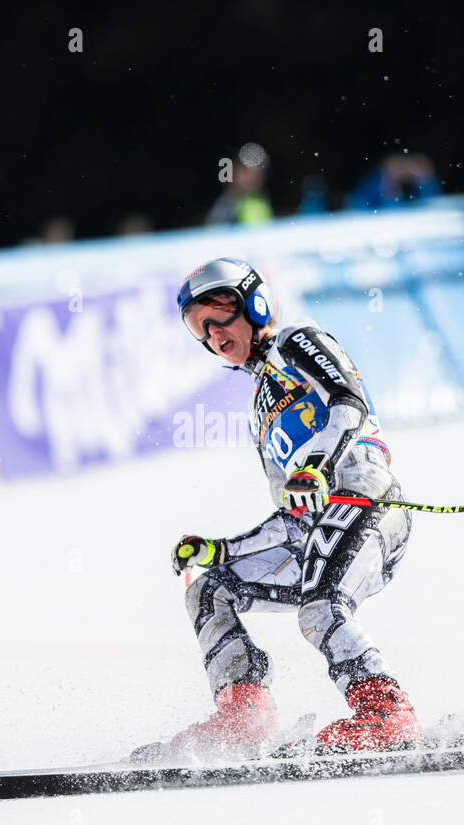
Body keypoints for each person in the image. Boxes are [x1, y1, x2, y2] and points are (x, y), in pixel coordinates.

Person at [141, 257, 421, 760]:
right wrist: (223, 549)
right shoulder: (257, 409)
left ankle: (387, 713)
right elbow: (293, 516)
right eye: (197, 325)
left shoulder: (296, 341)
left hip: (367, 496)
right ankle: (243, 717)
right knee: (210, 590)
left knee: (321, 604)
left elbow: (349, 401)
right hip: (318, 529)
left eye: (219, 312)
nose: (212, 333)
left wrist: (316, 464)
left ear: (255, 302)